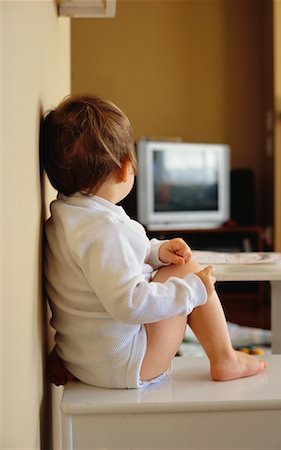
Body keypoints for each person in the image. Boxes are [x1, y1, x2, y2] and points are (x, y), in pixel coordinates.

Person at [41, 94, 267, 389]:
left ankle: (222, 351)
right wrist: (192, 291)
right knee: (187, 268)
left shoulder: (66, 217)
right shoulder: (106, 228)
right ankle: (226, 358)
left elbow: (110, 260)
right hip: (127, 364)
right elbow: (130, 305)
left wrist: (156, 251)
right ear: (125, 167)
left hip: (85, 357)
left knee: (172, 268)